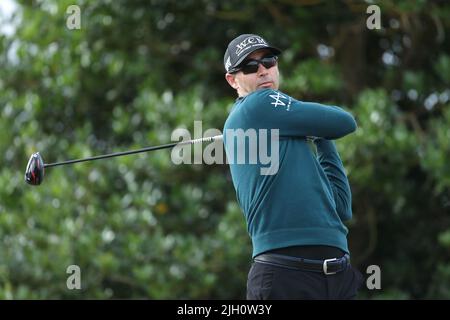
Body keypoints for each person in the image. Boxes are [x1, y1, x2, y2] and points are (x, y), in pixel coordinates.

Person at [222, 34, 363, 299]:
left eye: (269, 61)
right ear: (233, 80)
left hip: (338, 276)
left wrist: (316, 132)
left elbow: (341, 207)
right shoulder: (258, 104)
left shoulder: (285, 129)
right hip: (286, 275)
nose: (263, 71)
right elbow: (345, 121)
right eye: (251, 67)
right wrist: (311, 122)